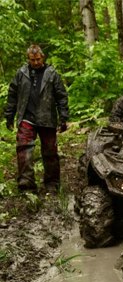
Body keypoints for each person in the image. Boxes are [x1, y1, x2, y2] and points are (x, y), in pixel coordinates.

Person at [4, 44, 69, 193]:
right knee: (24, 150)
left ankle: (52, 184)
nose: (36, 63)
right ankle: (27, 185)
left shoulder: (52, 74)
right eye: (32, 60)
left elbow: (61, 96)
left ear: (43, 57)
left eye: (38, 59)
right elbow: (12, 95)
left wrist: (63, 117)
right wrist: (9, 116)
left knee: (50, 152)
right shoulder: (21, 73)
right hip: (26, 117)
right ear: (28, 59)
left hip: (46, 117)